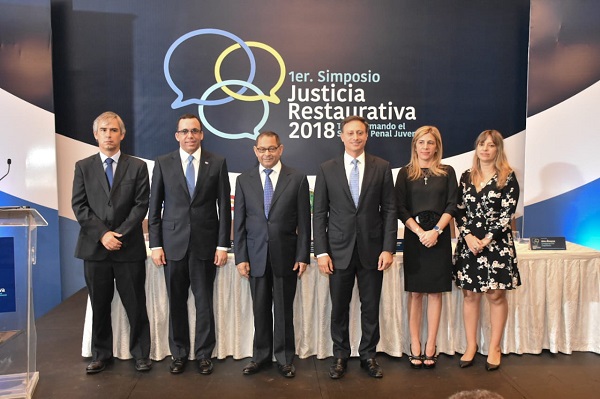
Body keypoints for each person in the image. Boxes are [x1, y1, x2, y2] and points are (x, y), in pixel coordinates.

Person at [313, 115, 396, 379]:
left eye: (360, 133)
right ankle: (340, 356)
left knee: (370, 306)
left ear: (366, 136)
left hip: (373, 250)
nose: (355, 138)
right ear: (342, 136)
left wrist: (388, 248)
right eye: (350, 133)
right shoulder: (327, 168)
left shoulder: (381, 167)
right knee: (339, 307)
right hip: (338, 251)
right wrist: (322, 251)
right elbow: (319, 213)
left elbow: (390, 210)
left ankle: (369, 356)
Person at [148, 113, 231, 375]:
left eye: (194, 131)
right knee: (176, 301)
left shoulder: (217, 163)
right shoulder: (163, 163)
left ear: (202, 134)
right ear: (177, 135)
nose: (190, 136)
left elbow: (224, 209)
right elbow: (154, 207)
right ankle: (180, 353)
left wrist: (222, 245)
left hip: (206, 245)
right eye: (184, 131)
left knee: (204, 302)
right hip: (172, 246)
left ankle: (205, 354)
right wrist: (155, 244)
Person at [72, 111, 152, 374]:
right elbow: (79, 205)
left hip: (128, 248)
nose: (109, 135)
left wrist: (119, 234)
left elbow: (141, 205)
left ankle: (141, 354)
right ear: (96, 134)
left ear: (122, 134)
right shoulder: (83, 166)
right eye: (104, 130)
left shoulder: (138, 166)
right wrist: (103, 234)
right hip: (95, 248)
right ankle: (101, 354)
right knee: (100, 304)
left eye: (114, 130)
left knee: (135, 304)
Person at [233, 131, 311, 378]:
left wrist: (302, 255)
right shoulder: (244, 179)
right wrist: (241, 256)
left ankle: (285, 358)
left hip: (286, 256)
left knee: (284, 310)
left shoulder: (297, 179)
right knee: (260, 309)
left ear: (280, 149)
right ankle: (260, 356)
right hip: (255, 256)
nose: (267, 154)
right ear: (255, 151)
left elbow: (304, 221)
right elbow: (240, 223)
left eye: (271, 149)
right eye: (262, 149)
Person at [453, 129, 521, 371]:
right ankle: (471, 346)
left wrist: (487, 239)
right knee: (470, 295)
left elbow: (507, 215)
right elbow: (458, 211)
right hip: (469, 245)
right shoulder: (465, 177)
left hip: (497, 246)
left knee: (495, 295)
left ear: (497, 149)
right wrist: (469, 236)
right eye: (481, 144)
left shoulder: (508, 177)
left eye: (490, 145)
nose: (485, 149)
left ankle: (494, 347)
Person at [394, 126, 457, 369]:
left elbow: (452, 204)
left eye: (430, 143)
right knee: (416, 293)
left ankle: (431, 345)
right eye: (421, 142)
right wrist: (420, 233)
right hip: (415, 238)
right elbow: (400, 207)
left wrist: (437, 232)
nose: (426, 147)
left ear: (437, 146)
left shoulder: (447, 172)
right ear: (415, 145)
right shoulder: (405, 173)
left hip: (439, 238)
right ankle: (415, 344)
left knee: (435, 292)